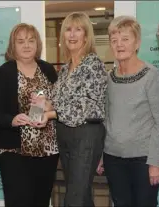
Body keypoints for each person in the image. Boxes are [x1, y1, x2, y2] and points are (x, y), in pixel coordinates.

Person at [94, 16, 159, 207]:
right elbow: (107, 120)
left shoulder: (151, 76)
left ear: (137, 43)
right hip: (113, 159)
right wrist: (102, 155)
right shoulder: (108, 78)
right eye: (114, 40)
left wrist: (156, 163)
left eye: (125, 39)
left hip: (143, 161)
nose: (119, 45)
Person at [38, 12, 108, 206]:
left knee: (74, 199)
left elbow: (86, 106)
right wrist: (43, 103)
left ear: (86, 35)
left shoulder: (93, 64)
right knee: (81, 194)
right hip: (65, 134)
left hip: (86, 134)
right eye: (68, 29)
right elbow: (57, 100)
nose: (72, 34)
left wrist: (51, 113)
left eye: (78, 29)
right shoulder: (66, 67)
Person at [0, 23, 59, 207]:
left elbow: (60, 103)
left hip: (46, 149)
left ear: (37, 44)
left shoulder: (48, 70)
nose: (26, 45)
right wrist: (12, 120)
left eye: (31, 40)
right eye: (21, 41)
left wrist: (48, 106)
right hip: (13, 149)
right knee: (18, 201)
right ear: (13, 46)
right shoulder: (3, 73)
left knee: (41, 201)